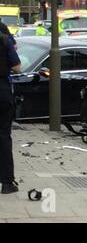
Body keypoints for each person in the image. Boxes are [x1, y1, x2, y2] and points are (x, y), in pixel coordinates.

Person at [0, 26, 21, 194]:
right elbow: (17, 68)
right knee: (3, 137)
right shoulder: (5, 40)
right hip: (2, 93)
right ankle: (7, 183)